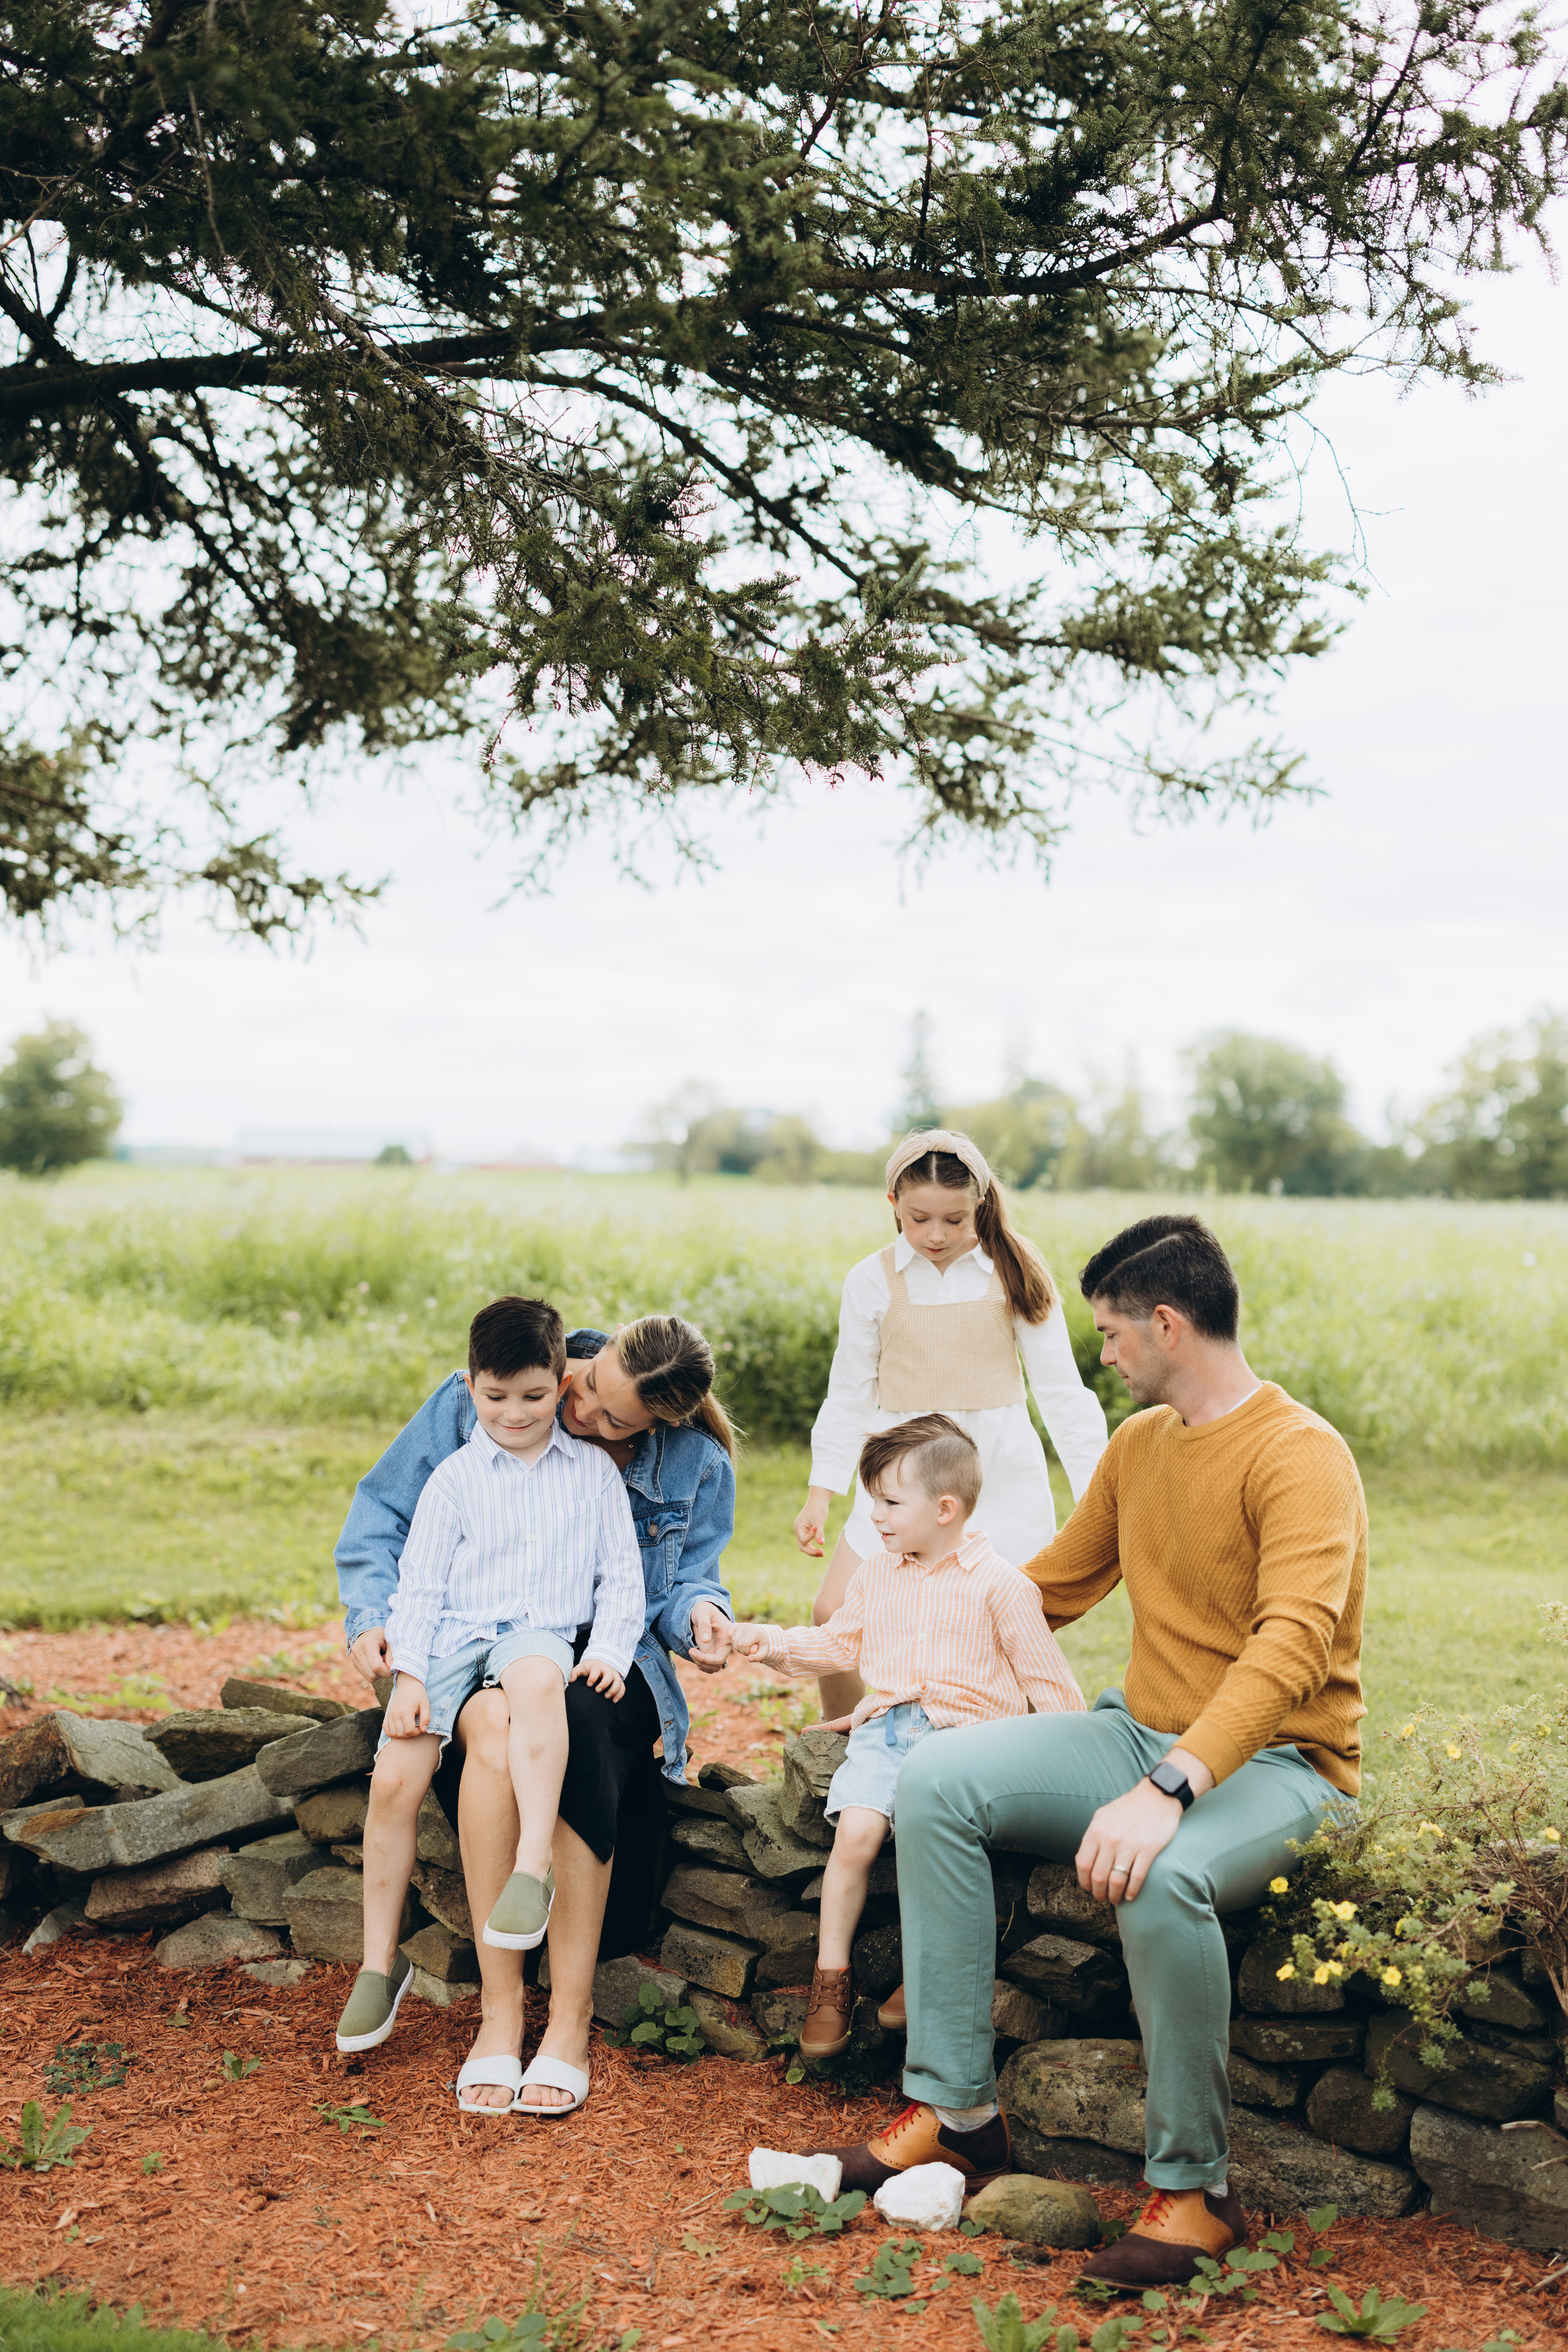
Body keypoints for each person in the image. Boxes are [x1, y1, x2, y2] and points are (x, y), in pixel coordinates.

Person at [817, 1214, 1368, 2291]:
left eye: (1112, 1335)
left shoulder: (1300, 1455)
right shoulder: (1140, 1447)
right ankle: (958, 2114)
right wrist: (890, 1626)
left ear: (1166, 1325)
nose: (1102, 1355)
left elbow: (1292, 1647)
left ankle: (1195, 2193)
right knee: (934, 1780)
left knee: (1161, 1878)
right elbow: (1043, 1591)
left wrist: (1170, 1786)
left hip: (1285, 1766)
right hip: (1134, 1730)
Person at [335, 1314, 736, 2116]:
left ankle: (570, 2020)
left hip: (604, 1658)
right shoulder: (495, 1397)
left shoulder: (694, 1463)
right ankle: (501, 2006)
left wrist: (702, 1615)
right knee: (487, 1731)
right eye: (585, 1387)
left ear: (660, 1424)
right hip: (471, 1635)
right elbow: (386, 1520)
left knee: (573, 1717)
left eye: (615, 1420)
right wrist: (373, 1622)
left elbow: (677, 1578)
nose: (579, 1412)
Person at [731, 1413, 1084, 2059]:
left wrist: (1067, 1762)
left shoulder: (1002, 1586)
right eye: (873, 1502)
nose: (875, 1518)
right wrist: (769, 1641)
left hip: (964, 1747)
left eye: (890, 1503)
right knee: (857, 1835)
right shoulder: (877, 1574)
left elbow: (1051, 1684)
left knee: (938, 1850)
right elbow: (838, 1643)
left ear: (946, 1508)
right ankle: (830, 1980)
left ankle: (928, 1977)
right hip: (889, 1733)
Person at [795, 1128, 1107, 1723]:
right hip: (901, 1479)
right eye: (919, 1218)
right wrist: (820, 1494)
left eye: (953, 1219)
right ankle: (842, 1756)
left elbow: (1063, 1394)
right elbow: (848, 1395)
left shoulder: (1014, 1271)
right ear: (893, 1205)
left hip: (998, 1478)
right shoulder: (871, 1279)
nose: (935, 1235)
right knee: (833, 1612)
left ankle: (1007, 1767)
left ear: (981, 1206)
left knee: (1004, 1634)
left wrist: (1098, 1497)